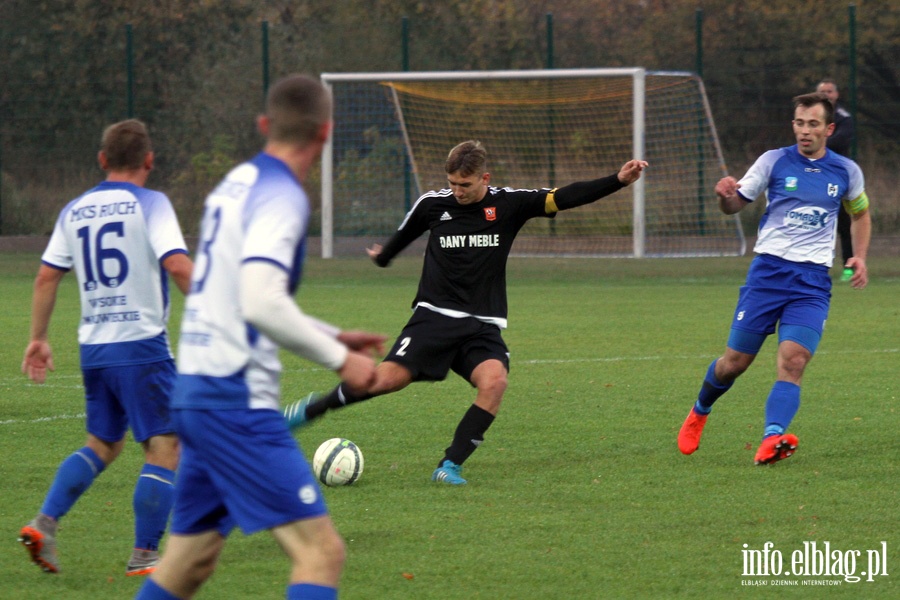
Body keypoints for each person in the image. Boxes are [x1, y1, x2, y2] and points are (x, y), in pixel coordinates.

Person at [135, 74, 384, 600]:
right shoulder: (282, 196)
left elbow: (237, 294)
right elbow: (261, 301)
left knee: (189, 564)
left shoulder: (234, 185)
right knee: (321, 554)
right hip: (235, 404)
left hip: (196, 395)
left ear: (265, 125)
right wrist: (341, 358)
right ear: (327, 132)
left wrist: (333, 333)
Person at [282, 140, 647, 485]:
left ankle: (449, 466)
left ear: (484, 178)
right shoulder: (432, 205)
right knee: (383, 382)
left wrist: (617, 181)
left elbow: (564, 197)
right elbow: (402, 238)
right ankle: (310, 410)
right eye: (452, 183)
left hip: (481, 326)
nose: (458, 190)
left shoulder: (510, 204)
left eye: (466, 184)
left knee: (495, 383)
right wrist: (383, 256)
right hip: (433, 319)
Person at [19, 119, 193, 575]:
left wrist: (38, 338)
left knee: (103, 443)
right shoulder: (152, 203)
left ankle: (44, 523)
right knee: (166, 445)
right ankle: (145, 555)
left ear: (102, 160)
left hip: (94, 349)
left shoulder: (74, 210)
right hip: (142, 348)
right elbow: (177, 264)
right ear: (149, 161)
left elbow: (46, 276)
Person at [677, 92, 871, 465]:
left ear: (828, 129)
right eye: (799, 123)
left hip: (812, 281)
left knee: (794, 360)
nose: (805, 131)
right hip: (768, 274)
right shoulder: (773, 161)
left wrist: (858, 257)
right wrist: (724, 197)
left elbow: (860, 214)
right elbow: (736, 204)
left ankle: (772, 438)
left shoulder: (847, 171)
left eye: (813, 124)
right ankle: (700, 410)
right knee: (735, 362)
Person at [816, 78, 857, 282]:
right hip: (816, 175)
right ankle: (816, 264)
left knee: (844, 223)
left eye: (829, 91)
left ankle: (849, 266)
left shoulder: (843, 117)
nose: (826, 95)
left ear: (836, 94)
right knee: (817, 219)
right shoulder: (813, 115)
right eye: (822, 91)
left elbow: (841, 140)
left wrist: (819, 142)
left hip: (838, 176)